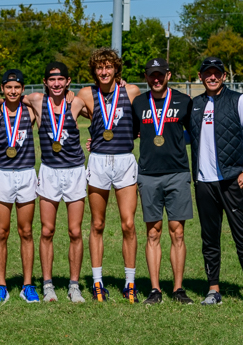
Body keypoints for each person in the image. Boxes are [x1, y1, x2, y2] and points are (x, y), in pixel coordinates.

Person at [189, 57, 243, 308]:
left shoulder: (239, 100)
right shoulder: (195, 104)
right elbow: (182, 136)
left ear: (224, 76)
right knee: (209, 238)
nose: (212, 77)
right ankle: (213, 290)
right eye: (207, 73)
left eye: (216, 74)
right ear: (201, 77)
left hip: (233, 181)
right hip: (204, 183)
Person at [14, 63, 88, 303]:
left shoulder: (76, 102)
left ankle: (74, 285)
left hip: (75, 171)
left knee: (75, 231)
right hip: (49, 171)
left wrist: (95, 141)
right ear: (45, 82)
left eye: (61, 79)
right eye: (52, 79)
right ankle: (47, 284)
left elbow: (104, 119)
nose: (56, 83)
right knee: (47, 230)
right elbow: (9, 97)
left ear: (68, 81)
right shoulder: (36, 100)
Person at [76, 48, 142, 302]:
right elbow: (62, 103)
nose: (104, 72)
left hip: (125, 160)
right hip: (99, 161)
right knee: (97, 224)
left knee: (128, 224)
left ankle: (130, 282)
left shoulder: (132, 91)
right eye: (99, 67)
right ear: (94, 71)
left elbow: (143, 115)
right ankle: (97, 282)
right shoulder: (86, 93)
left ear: (116, 69)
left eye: (109, 67)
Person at [130, 58, 195, 305]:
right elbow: (131, 132)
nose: (156, 79)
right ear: (146, 76)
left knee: (177, 232)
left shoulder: (183, 102)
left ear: (168, 75)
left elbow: (195, 133)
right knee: (153, 232)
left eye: (160, 74)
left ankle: (178, 289)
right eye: (151, 75)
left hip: (177, 172)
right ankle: (155, 290)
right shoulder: (138, 103)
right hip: (148, 174)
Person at [0, 70, 40, 303]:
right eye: (8, 88)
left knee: (26, 232)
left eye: (17, 87)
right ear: (2, 89)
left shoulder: (30, 111)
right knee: (1, 232)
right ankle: (1, 285)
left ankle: (27, 285)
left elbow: (41, 97)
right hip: (2, 174)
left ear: (23, 89)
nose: (13, 91)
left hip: (26, 173)